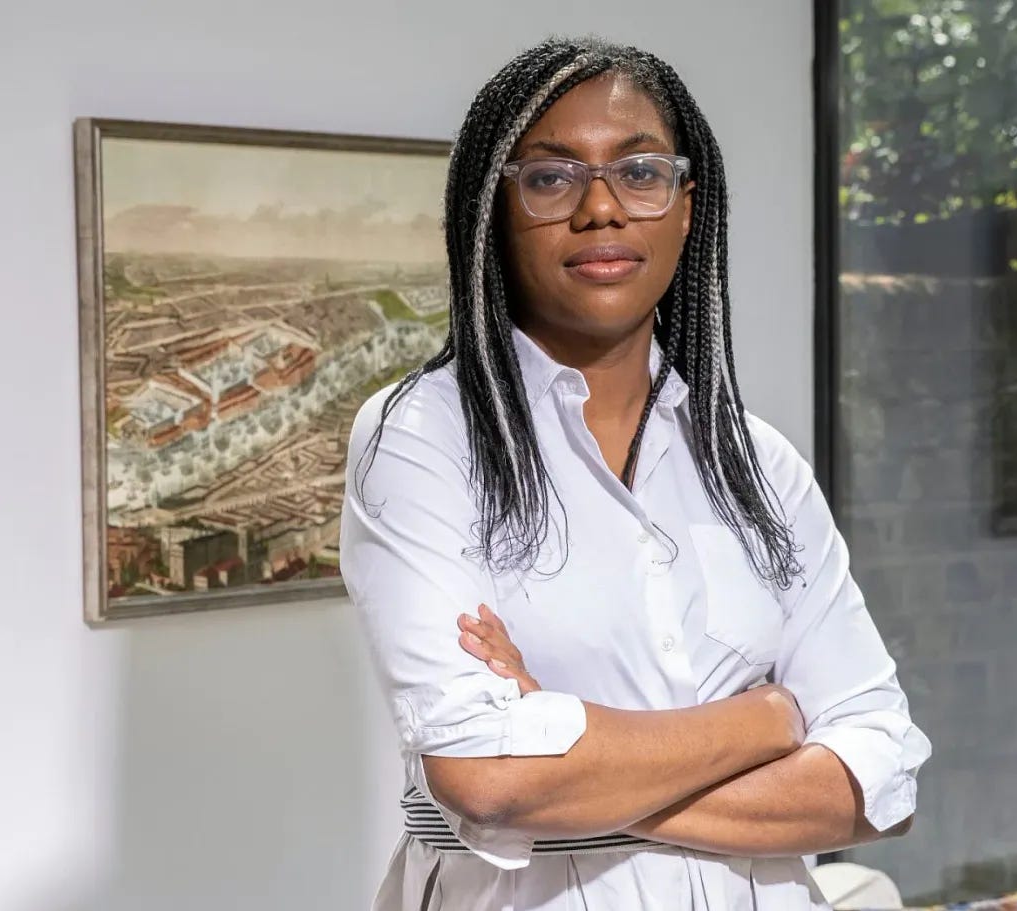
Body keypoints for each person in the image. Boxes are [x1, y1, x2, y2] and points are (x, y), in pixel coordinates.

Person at [340, 35, 931, 911]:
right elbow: (487, 778)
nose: (602, 208)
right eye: (551, 178)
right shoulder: (423, 436)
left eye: (641, 172)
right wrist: (767, 718)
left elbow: (880, 779)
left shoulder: (760, 466)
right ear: (493, 211)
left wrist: (569, 745)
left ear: (686, 207)